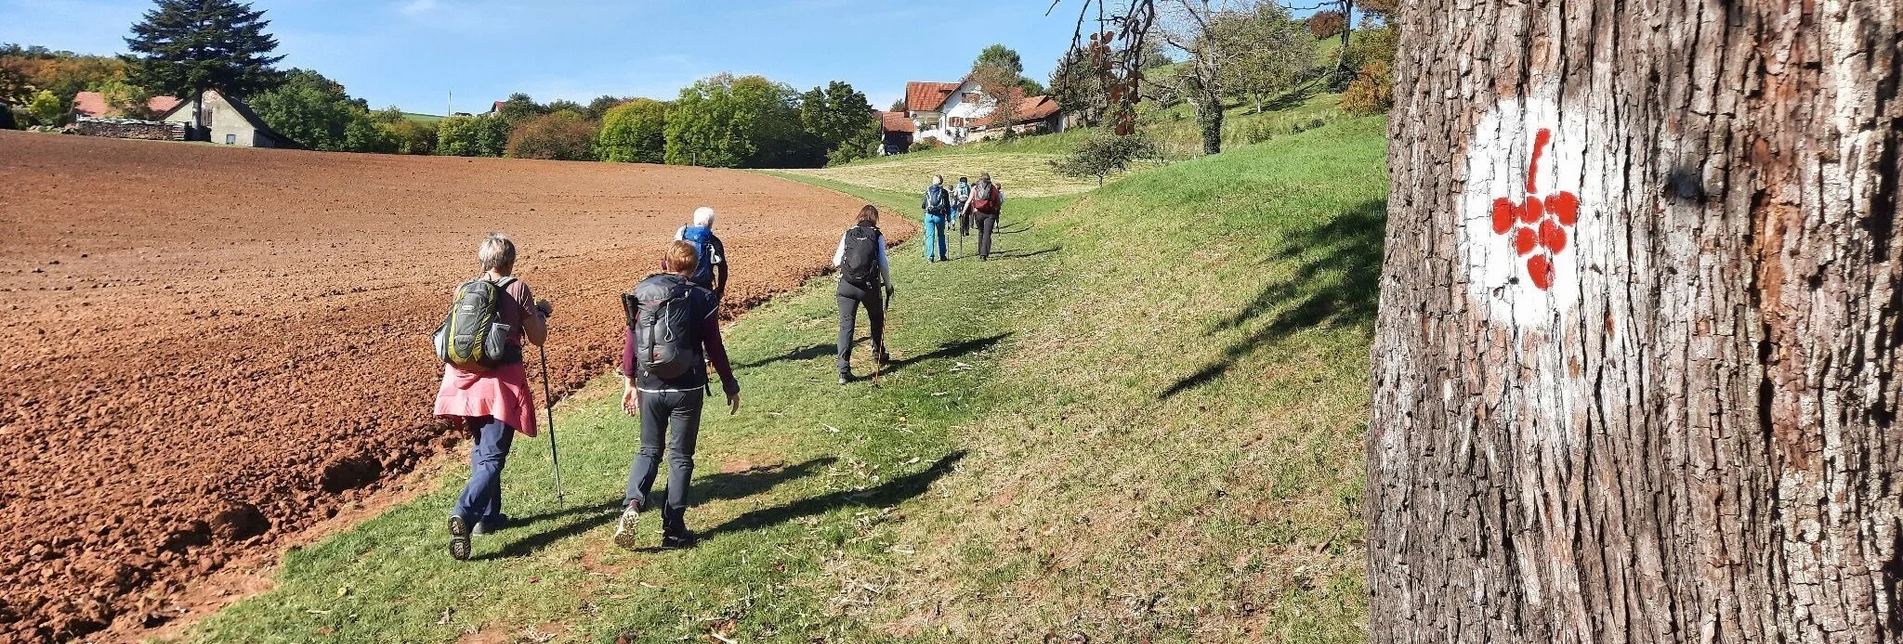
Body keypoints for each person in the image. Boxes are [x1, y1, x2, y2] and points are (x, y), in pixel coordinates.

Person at [615, 240, 741, 550]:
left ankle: (633, 503)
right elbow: (715, 346)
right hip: (687, 387)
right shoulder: (702, 297)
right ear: (696, 267)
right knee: (680, 456)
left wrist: (629, 381)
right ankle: (673, 530)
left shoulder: (642, 293)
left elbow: (631, 341)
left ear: (664, 264)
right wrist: (729, 384)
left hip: (648, 384)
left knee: (648, 450)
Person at [434, 232, 551, 561]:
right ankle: (465, 513)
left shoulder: (463, 289)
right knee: (491, 457)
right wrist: (540, 314)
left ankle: (489, 516)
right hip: (500, 384)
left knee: (482, 448)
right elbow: (537, 338)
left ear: (482, 262)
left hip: (462, 383)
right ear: (510, 261)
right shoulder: (518, 288)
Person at [833, 205, 893, 384]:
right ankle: (878, 353)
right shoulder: (876, 235)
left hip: (846, 287)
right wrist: (888, 286)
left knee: (846, 326)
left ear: (859, 217)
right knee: (876, 317)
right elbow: (883, 264)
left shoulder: (848, 233)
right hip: (869, 287)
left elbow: (836, 261)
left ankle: (843, 371)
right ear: (874, 218)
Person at [673, 206, 729, 301]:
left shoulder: (681, 238)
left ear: (694, 221)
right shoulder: (714, 241)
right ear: (711, 224)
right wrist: (720, 290)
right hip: (703, 287)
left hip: (680, 285)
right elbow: (722, 268)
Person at [962, 173, 1004, 261]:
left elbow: (969, 201)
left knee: (981, 232)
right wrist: (998, 210)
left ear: (980, 179)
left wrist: (963, 212)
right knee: (987, 233)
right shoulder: (993, 188)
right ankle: (983, 254)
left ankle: (980, 250)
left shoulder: (975, 188)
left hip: (978, 213)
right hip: (990, 213)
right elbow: (998, 201)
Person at [920, 175, 952, 262]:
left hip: (929, 216)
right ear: (941, 182)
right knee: (941, 235)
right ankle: (942, 255)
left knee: (930, 236)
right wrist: (949, 216)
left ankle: (930, 256)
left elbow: (923, 204)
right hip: (940, 216)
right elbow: (947, 205)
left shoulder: (928, 190)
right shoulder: (944, 191)